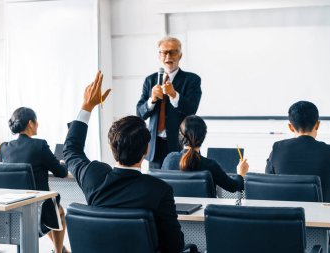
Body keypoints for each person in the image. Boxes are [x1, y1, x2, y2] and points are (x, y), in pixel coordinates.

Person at [63, 71, 185, 253]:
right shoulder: (159, 190)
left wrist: (87, 106)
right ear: (147, 150)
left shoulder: (93, 176)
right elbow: (175, 247)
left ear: (111, 147)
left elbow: (71, 149)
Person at [0, 107, 69, 253]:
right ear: (31, 123)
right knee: (58, 212)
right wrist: (63, 162)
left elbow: (2, 168)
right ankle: (59, 251)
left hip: (11, 209)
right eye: (36, 122)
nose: (38, 124)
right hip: (37, 209)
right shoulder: (39, 145)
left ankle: (61, 249)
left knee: (51, 211)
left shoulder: (4, 148)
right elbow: (61, 173)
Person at [136, 36, 202, 169]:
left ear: (180, 55)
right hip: (155, 146)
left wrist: (174, 95)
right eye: (164, 52)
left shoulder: (192, 80)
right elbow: (140, 113)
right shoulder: (150, 80)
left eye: (173, 52)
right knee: (156, 186)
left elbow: (192, 110)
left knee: (177, 186)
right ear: (159, 55)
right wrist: (152, 100)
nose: (168, 56)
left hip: (179, 145)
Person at [265, 101, 330, 203]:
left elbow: (267, 181)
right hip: (324, 218)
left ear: (291, 127)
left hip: (287, 217)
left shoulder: (277, 149)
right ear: (317, 125)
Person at [162, 115, 249, 193]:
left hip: (175, 210)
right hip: (203, 211)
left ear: (180, 135)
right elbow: (234, 187)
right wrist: (241, 174)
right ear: (203, 137)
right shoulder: (210, 165)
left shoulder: (169, 159)